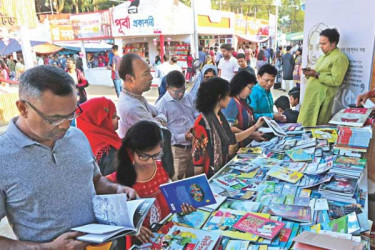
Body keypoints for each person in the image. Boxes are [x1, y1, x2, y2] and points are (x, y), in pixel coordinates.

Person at [0, 65, 136, 249]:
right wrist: (48, 248)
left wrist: (116, 189)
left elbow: (94, 180)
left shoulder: (77, 136)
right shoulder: (3, 157)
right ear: (23, 108)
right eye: (54, 118)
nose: (65, 125)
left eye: (71, 114)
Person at [107, 121, 195, 244]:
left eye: (156, 155)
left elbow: (170, 204)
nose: (150, 162)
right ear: (130, 152)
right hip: (139, 242)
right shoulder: (115, 180)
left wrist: (182, 209)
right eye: (144, 156)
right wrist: (131, 227)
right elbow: (107, 214)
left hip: (166, 235)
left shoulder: (162, 168)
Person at [192, 77, 265, 178]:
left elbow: (232, 138)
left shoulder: (220, 116)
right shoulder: (202, 123)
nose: (230, 99)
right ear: (219, 97)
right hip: (210, 177)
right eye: (228, 95)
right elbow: (198, 161)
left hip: (221, 172)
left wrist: (255, 127)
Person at [117, 53, 174, 178]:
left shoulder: (136, 97)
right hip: (144, 169)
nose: (151, 77)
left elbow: (160, 113)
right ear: (130, 79)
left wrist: (158, 118)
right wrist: (158, 119)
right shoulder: (131, 106)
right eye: (146, 74)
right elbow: (160, 129)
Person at [298, 28, 349, 126]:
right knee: (305, 125)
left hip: (321, 99)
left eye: (324, 44)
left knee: (316, 126)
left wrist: (316, 74)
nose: (321, 47)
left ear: (333, 43)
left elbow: (336, 81)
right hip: (312, 97)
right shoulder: (323, 57)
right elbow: (318, 75)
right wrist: (310, 74)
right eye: (320, 44)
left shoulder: (339, 58)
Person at [156, 71, 198, 180]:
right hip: (177, 151)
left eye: (183, 89)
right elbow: (163, 135)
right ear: (168, 87)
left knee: (192, 181)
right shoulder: (162, 106)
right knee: (177, 182)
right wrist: (184, 136)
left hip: (193, 147)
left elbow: (195, 115)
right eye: (177, 91)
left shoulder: (188, 97)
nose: (180, 94)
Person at [76, 97, 122, 176]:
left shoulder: (77, 142)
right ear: (102, 122)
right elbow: (113, 184)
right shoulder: (110, 152)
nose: (119, 118)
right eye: (113, 116)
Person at [222, 70, 266, 147]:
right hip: (235, 148)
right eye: (249, 88)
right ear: (241, 85)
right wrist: (251, 134)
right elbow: (229, 128)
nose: (250, 92)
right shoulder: (231, 102)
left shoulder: (241, 101)